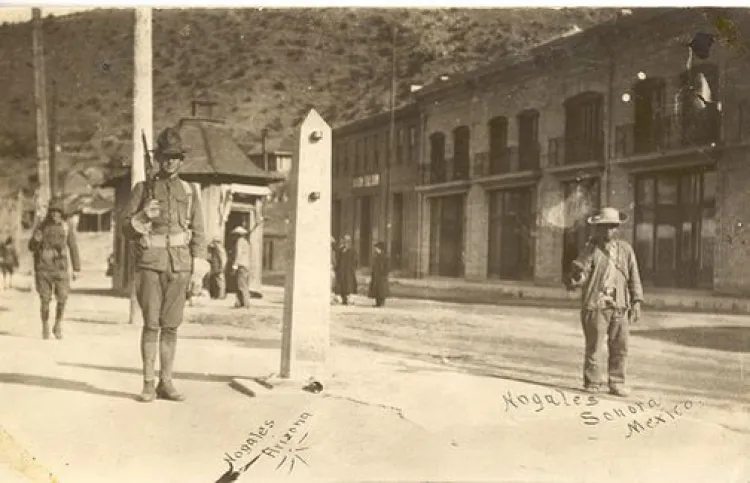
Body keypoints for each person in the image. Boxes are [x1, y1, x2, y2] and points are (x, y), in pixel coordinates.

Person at [122, 126, 209, 403]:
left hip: (180, 265)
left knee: (171, 326)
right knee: (151, 325)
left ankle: (166, 382)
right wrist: (143, 216)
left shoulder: (190, 191)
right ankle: (148, 383)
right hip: (150, 264)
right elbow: (125, 228)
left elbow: (199, 231)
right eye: (166, 156)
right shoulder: (143, 189)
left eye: (175, 157)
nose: (170, 161)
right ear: (158, 158)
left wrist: (198, 269)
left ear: (182, 160)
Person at [566, 207, 643, 398]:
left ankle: (617, 382)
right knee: (595, 346)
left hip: (619, 305)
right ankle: (592, 382)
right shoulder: (590, 249)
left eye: (612, 227)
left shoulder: (626, 250)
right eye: (604, 227)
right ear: (597, 229)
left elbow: (634, 276)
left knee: (620, 346)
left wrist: (637, 301)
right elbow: (581, 275)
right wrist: (577, 276)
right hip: (596, 304)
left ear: (617, 228)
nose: (608, 231)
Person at [28, 198, 81, 340]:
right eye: (52, 211)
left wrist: (76, 268)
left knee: (62, 297)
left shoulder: (66, 226)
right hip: (43, 268)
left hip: (61, 268)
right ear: (49, 212)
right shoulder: (41, 226)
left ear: (62, 213)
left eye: (58, 212)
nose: (55, 214)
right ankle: (45, 325)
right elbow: (31, 247)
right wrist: (36, 241)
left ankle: (57, 324)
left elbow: (73, 246)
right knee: (45, 299)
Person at [230, 225, 251, 308]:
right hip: (246, 265)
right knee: (243, 284)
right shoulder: (246, 242)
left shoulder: (239, 241)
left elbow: (238, 254)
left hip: (241, 265)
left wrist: (234, 266)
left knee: (241, 285)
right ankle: (240, 303)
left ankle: (245, 303)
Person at [334, 235, 357, 305]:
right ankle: (344, 299)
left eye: (347, 241)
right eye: (345, 241)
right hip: (341, 270)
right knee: (342, 285)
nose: (346, 243)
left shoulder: (352, 250)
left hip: (348, 271)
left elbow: (355, 261)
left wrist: (353, 269)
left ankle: (348, 300)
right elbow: (337, 258)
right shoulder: (340, 250)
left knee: (348, 285)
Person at [368, 241, 389, 307]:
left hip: (381, 275)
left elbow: (387, 267)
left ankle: (381, 302)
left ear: (380, 248)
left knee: (381, 289)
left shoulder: (384, 256)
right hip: (376, 275)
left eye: (376, 248)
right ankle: (378, 303)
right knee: (376, 289)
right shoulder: (377, 256)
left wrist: (384, 273)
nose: (375, 249)